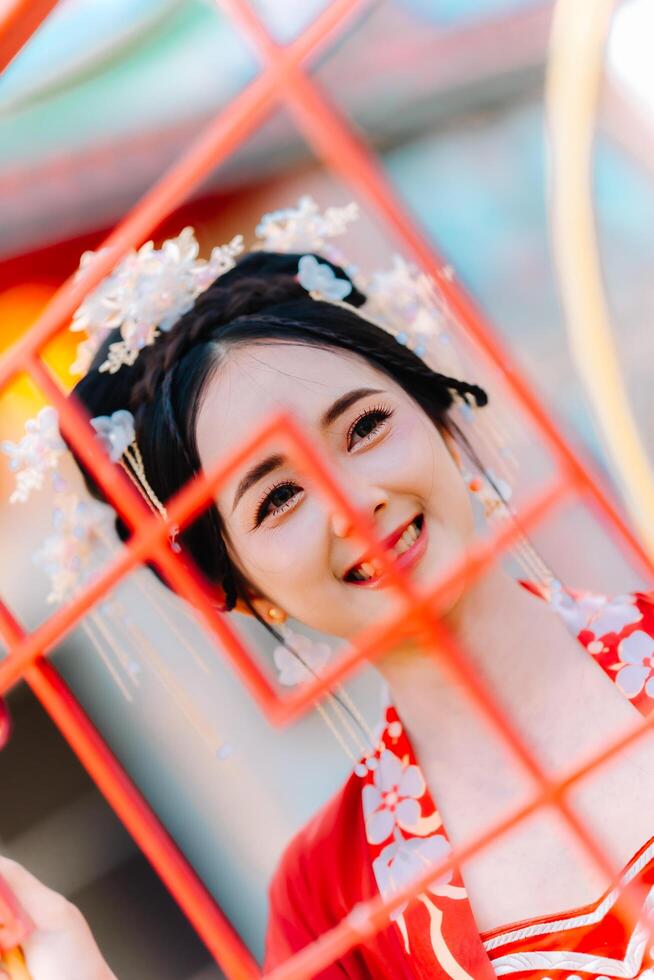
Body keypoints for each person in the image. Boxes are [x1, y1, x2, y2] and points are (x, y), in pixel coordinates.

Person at [4, 242, 654, 980]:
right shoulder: (329, 899)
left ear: (439, 415)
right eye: (278, 498)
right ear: (239, 586)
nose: (352, 504)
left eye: (364, 428)